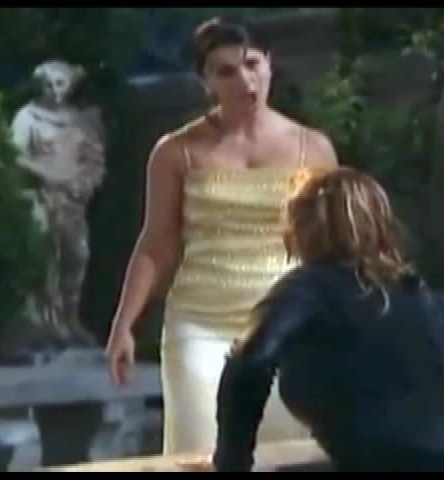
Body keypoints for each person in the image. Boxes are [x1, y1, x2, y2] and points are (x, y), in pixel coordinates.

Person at [105, 17, 338, 455]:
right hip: (200, 320)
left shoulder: (313, 147)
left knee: (286, 453)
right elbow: (156, 242)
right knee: (201, 451)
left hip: (285, 321)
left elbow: (333, 241)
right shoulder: (175, 151)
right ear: (206, 80)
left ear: (269, 64)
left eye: (252, 65)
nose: (244, 81)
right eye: (226, 71)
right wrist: (124, 325)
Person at [210, 167, 444, 472]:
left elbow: (250, 361)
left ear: (300, 226)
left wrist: (231, 463)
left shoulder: (308, 289)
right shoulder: (412, 293)